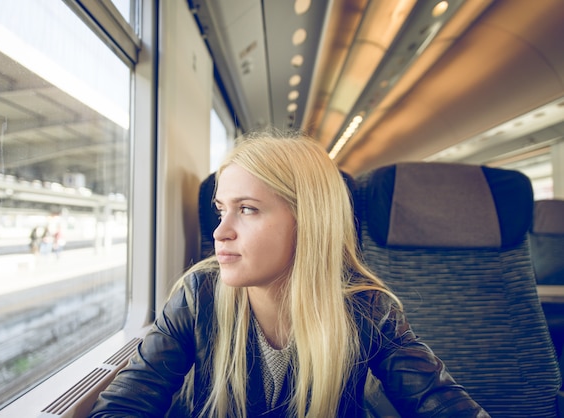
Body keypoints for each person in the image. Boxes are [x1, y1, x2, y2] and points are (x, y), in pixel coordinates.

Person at [89, 131, 489, 417]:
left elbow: (439, 401)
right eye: (220, 209)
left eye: (246, 209)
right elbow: (126, 403)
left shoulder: (367, 307)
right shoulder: (198, 295)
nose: (219, 232)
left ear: (308, 221)